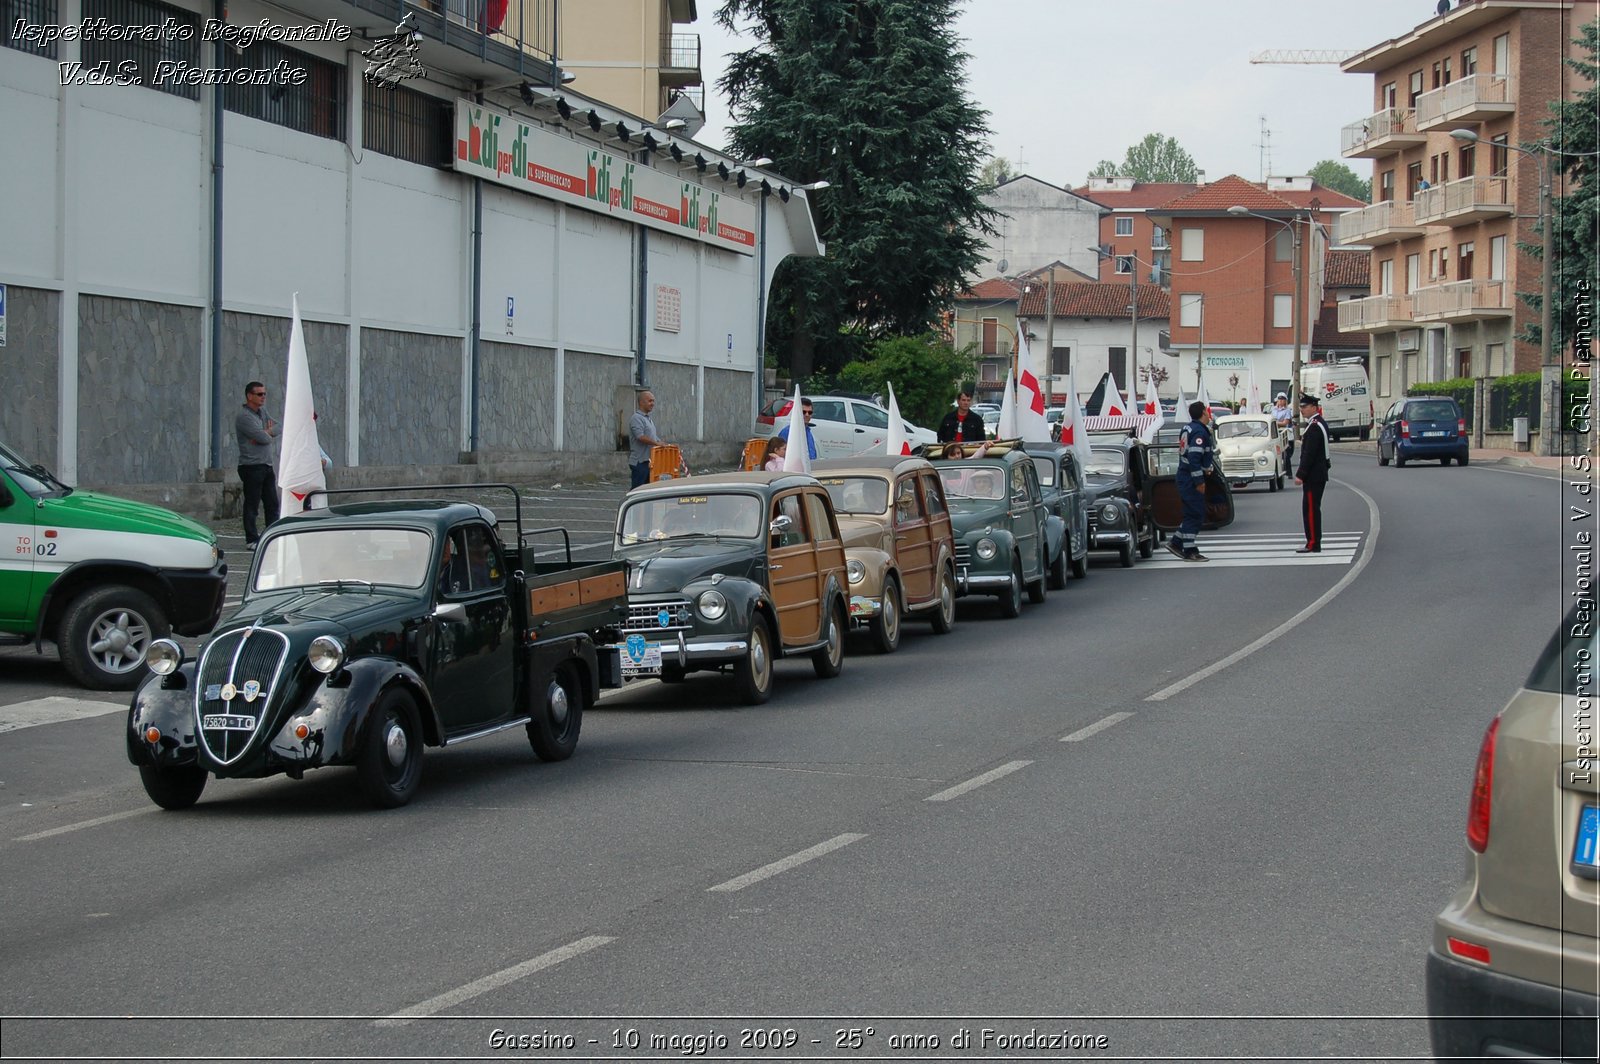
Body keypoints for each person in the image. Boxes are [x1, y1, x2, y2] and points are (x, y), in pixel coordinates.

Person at [1167, 400, 1215, 562]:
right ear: (1203, 413)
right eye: (1207, 412)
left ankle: (1177, 543)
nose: (1209, 415)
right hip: (1190, 478)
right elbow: (1194, 457)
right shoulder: (1200, 432)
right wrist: (1199, 480)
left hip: (1184, 476)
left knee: (1192, 513)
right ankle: (1188, 550)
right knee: (1195, 513)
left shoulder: (1188, 428)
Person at [235, 380, 279, 549]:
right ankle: (251, 538)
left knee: (272, 503)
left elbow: (279, 427)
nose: (263, 397)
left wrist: (266, 432)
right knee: (252, 503)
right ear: (249, 396)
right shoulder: (244, 417)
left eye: (264, 394)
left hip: (266, 465)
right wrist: (265, 434)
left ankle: (272, 536)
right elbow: (263, 438)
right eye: (259, 394)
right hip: (251, 466)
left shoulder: (263, 412)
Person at [1294, 394, 1332, 553]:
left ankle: (1313, 543)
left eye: (1304, 407)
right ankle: (1313, 541)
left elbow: (1309, 454)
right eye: (1301, 407)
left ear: (1314, 407)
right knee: (1311, 508)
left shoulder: (1315, 426)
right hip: (1318, 473)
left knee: (1310, 510)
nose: (1302, 410)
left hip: (1313, 475)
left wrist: (1300, 474)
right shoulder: (1317, 423)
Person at [628, 390, 669, 489]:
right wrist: (656, 443)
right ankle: (630, 504)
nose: (653, 404)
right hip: (640, 462)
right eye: (650, 401)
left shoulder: (648, 418)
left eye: (653, 401)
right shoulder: (636, 418)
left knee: (648, 490)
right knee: (637, 490)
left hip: (649, 462)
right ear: (642, 402)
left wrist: (663, 444)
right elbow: (640, 437)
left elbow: (653, 436)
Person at [1272, 392, 1295, 472]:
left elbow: (1285, 423)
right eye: (1279, 399)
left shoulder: (1287, 410)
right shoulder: (1273, 409)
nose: (1281, 401)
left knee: (1286, 452)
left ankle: (1288, 472)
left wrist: (1276, 423)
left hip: (1284, 431)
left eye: (1283, 399)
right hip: (1275, 432)